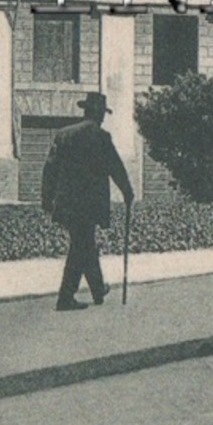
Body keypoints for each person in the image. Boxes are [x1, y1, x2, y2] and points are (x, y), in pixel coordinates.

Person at [41, 92, 134, 311]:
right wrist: (127, 192)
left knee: (85, 243)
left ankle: (98, 289)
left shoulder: (63, 135)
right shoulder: (101, 137)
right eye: (102, 113)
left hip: (66, 203)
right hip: (90, 203)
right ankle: (65, 297)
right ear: (98, 113)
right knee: (81, 247)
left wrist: (47, 198)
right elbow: (116, 168)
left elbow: (50, 169)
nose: (102, 117)